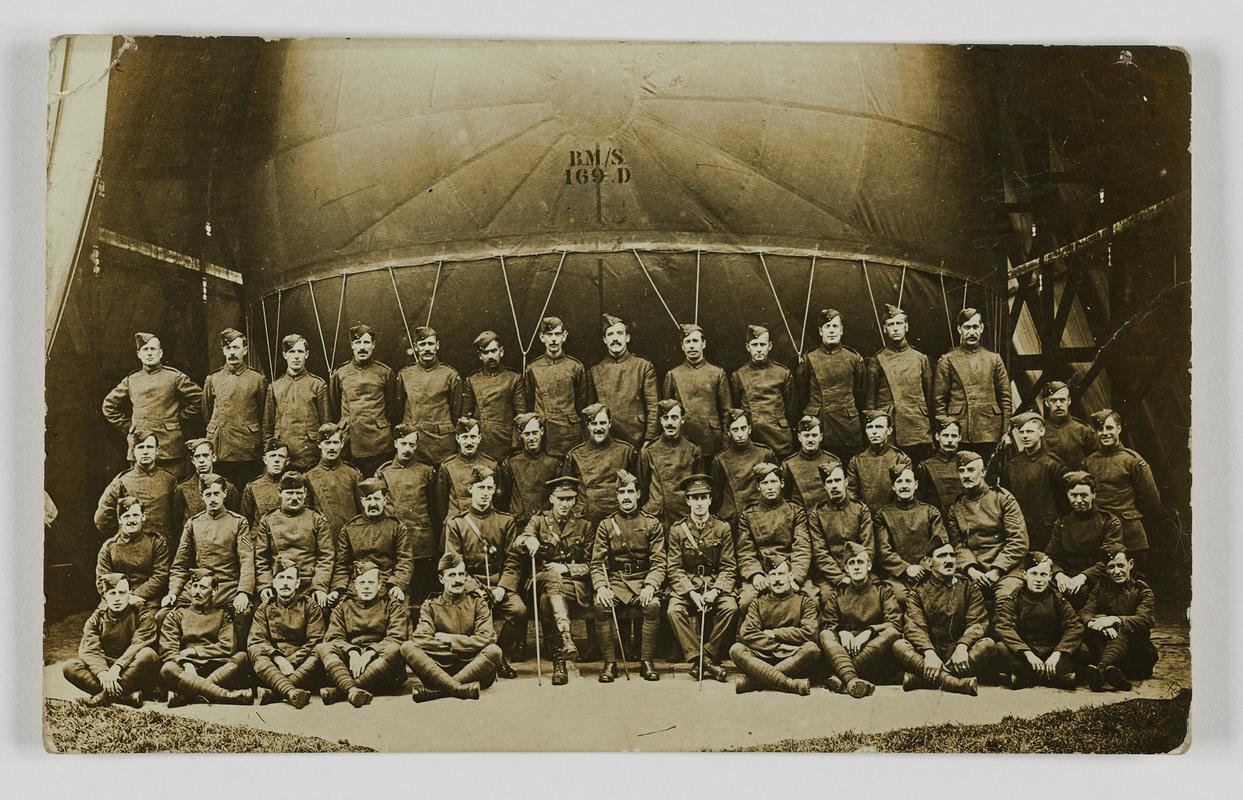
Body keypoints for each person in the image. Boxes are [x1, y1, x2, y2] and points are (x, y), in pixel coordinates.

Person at [503, 476, 593, 685]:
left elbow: (592, 565)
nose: (565, 504)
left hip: (572, 586)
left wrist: (566, 568)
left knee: (546, 601)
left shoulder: (584, 526)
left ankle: (559, 662)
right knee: (550, 580)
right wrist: (529, 539)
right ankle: (565, 635)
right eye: (560, 498)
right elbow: (517, 543)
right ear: (552, 499)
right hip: (539, 580)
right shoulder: (538, 521)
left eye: (570, 499)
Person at [442, 465, 525, 678]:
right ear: (470, 489)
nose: (485, 493)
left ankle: (499, 656)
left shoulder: (505, 521)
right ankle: (479, 659)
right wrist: (474, 588)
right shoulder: (457, 523)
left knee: (518, 611)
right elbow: (454, 561)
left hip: (499, 582)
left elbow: (513, 560)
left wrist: (503, 588)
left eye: (489, 488)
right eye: (481, 488)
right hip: (468, 583)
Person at [163, 473, 255, 650]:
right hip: (198, 586)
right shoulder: (193, 524)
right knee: (164, 614)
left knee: (244, 612)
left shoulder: (238, 522)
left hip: (227, 586)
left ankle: (239, 658)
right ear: (201, 496)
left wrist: (244, 592)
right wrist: (173, 591)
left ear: (224, 494)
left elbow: (246, 561)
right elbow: (180, 564)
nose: (212, 499)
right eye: (208, 495)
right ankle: (178, 656)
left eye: (216, 494)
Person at [590, 469, 666, 682]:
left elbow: (660, 561)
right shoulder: (606, 525)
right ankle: (610, 663)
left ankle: (646, 661)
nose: (626, 496)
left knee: (653, 606)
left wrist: (651, 585)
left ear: (638, 494)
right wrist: (602, 587)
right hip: (615, 581)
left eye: (630, 492)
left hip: (643, 580)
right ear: (616, 496)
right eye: (621, 492)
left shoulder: (652, 524)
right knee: (600, 605)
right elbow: (596, 563)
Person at [400, 553, 504, 702]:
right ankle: (457, 689)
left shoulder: (477, 603)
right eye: (452, 575)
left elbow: (487, 638)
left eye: (461, 574)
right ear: (441, 579)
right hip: (439, 668)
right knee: (407, 647)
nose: (457, 580)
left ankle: (438, 691)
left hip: (474, 667)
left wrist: (451, 640)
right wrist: (465, 646)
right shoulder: (430, 605)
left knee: (494, 650)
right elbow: (421, 639)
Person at [664, 474, 738, 682]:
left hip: (714, 584)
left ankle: (707, 655)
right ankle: (703, 662)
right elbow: (675, 567)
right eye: (694, 498)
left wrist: (715, 591)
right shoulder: (678, 530)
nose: (699, 503)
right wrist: (691, 593)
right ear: (687, 500)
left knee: (730, 607)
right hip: (688, 584)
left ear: (710, 499)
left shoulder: (722, 528)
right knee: (674, 610)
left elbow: (729, 566)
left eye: (703, 497)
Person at [892, 541, 991, 696]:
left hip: (960, 655)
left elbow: (977, 622)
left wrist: (962, 646)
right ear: (930, 563)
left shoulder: (968, 586)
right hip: (931, 653)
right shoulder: (919, 591)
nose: (949, 560)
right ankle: (955, 683)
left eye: (952, 555)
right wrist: (929, 653)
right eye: (942, 556)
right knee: (899, 645)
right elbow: (914, 627)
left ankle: (923, 680)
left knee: (988, 645)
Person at [101, 331, 203, 477]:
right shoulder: (132, 380)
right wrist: (129, 426)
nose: (149, 353)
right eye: (145, 349)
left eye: (153, 349)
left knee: (172, 487)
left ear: (160, 353)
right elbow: (108, 405)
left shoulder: (174, 377)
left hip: (169, 445)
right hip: (140, 443)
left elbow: (199, 398)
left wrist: (181, 417)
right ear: (139, 354)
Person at [315, 562, 409, 706]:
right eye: (362, 582)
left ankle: (343, 690)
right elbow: (334, 637)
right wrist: (352, 652)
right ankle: (353, 690)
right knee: (323, 647)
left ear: (379, 585)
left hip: (381, 665)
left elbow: (397, 637)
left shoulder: (392, 606)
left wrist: (369, 653)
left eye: (371, 582)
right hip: (353, 664)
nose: (366, 586)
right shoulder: (344, 606)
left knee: (394, 649)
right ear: (355, 585)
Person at [1083, 409, 1164, 575]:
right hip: (1100, 532)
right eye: (1100, 429)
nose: (1104, 433)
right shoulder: (1089, 462)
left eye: (1109, 428)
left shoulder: (1132, 460)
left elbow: (1152, 502)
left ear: (1119, 429)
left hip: (1130, 534)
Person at [817, 541, 902, 698]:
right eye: (852, 563)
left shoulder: (883, 591)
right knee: (825, 635)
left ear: (868, 566)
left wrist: (869, 631)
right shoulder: (838, 594)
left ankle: (841, 676)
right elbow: (826, 622)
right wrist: (841, 631)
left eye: (860, 562)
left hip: (873, 652)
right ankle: (852, 681)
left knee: (891, 633)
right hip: (845, 651)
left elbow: (895, 623)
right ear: (846, 569)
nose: (856, 567)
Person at [62, 573, 160, 707]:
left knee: (148, 654)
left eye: (122, 593)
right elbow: (90, 649)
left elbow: (139, 644)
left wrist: (117, 668)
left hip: (131, 669)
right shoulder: (97, 617)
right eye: (112, 593)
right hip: (107, 669)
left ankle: (100, 698)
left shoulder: (142, 614)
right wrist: (102, 673)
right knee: (70, 666)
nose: (117, 598)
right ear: (105, 596)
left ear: (130, 594)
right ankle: (126, 697)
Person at [158, 569, 253, 706]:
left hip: (214, 665)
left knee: (242, 657)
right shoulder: (176, 615)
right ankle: (227, 696)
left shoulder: (223, 615)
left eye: (203, 587)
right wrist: (186, 663)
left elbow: (227, 646)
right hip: (186, 668)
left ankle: (188, 696)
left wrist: (195, 652)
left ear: (214, 591)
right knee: (168, 668)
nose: (197, 592)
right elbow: (168, 649)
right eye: (194, 586)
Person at [991, 551, 1084, 689]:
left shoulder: (1057, 598)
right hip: (1027, 653)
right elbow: (1004, 626)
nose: (1038, 579)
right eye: (1034, 574)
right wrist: (1027, 653)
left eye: (1043, 574)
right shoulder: (1015, 597)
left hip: (1051, 652)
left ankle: (1026, 678)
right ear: (1024, 575)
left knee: (1083, 650)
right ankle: (1057, 679)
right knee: (1000, 648)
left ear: (1050, 576)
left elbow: (1075, 626)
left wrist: (1058, 653)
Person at [728, 556, 819, 695]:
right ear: (767, 578)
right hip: (764, 655)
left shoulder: (804, 602)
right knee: (736, 649)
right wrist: (780, 646)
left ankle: (755, 682)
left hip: (793, 655)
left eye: (781, 574)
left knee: (811, 649)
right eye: (773, 575)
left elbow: (810, 633)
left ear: (790, 576)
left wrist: (775, 633)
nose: (777, 579)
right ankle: (790, 684)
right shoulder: (758, 603)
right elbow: (747, 633)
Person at [946, 451, 1028, 605]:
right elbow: (957, 545)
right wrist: (971, 570)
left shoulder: (1003, 498)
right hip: (973, 570)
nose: (966, 475)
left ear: (982, 472)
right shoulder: (956, 508)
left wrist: (997, 570)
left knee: (1006, 599)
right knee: (955, 600)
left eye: (971, 470)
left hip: (1006, 570)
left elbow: (1018, 540)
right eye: (961, 471)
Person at [934, 308, 1012, 460]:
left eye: (975, 327)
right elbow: (939, 401)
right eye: (967, 327)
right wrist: (946, 429)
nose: (971, 332)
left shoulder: (994, 359)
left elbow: (1006, 398)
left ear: (981, 328)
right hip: (960, 430)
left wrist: (1005, 431)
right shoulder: (947, 360)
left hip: (989, 430)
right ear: (959, 329)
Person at [1078, 544, 1158, 692]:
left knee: (1122, 630)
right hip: (1108, 647)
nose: (1116, 571)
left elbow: (1145, 619)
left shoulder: (1142, 590)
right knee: (1090, 636)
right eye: (1111, 567)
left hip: (1136, 653)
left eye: (1121, 565)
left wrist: (1115, 620)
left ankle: (1100, 671)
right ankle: (1109, 673)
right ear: (1106, 569)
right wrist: (1098, 621)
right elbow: (1085, 612)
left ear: (1131, 564)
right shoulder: (1101, 587)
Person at [247, 558, 324, 708]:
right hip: (274, 664)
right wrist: (278, 658)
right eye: (280, 578)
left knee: (319, 651)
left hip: (301, 664)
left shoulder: (309, 606)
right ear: (274, 583)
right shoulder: (265, 607)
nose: (285, 583)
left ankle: (276, 692)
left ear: (297, 583)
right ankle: (291, 692)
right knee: (255, 650)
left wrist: (293, 660)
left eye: (289, 578)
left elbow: (316, 639)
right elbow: (256, 639)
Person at [736, 462, 812, 614]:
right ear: (758, 487)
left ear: (782, 483)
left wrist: (795, 577)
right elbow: (745, 551)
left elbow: (802, 547)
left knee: (812, 599)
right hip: (763, 570)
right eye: (765, 483)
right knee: (746, 601)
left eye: (773, 481)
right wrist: (755, 574)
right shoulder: (748, 515)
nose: (770, 487)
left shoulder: (796, 512)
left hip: (790, 568)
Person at [376, 424, 438, 607]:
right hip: (397, 541)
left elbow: (435, 507)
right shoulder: (384, 472)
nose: (408, 449)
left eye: (412, 445)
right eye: (404, 444)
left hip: (422, 542)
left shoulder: (426, 471)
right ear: (395, 443)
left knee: (422, 594)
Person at [330, 478, 413, 611]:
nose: (372, 504)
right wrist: (338, 588)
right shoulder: (350, 528)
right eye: (368, 499)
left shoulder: (397, 527)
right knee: (340, 610)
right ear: (362, 501)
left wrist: (397, 584)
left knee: (398, 611)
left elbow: (405, 561)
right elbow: (342, 565)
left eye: (376, 499)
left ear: (384, 500)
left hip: (387, 583)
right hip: (357, 584)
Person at [254, 471, 334, 610]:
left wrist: (319, 587)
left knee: (321, 608)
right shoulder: (268, 521)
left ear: (305, 493)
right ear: (280, 493)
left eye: (298, 493)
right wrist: (265, 585)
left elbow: (326, 557)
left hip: (308, 582)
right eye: (289, 493)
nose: (294, 498)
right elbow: (261, 558)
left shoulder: (317, 519)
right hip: (278, 583)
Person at [874, 465, 950, 606]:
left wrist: (924, 567)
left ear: (916, 485)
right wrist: (907, 568)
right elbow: (884, 550)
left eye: (908, 481)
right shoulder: (883, 515)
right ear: (893, 487)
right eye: (899, 482)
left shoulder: (931, 512)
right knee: (899, 597)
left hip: (929, 573)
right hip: (898, 576)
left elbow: (941, 543)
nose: (904, 486)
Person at [1048, 471, 1124, 609]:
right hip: (1067, 578)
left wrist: (1083, 577)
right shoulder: (1062, 523)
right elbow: (1052, 556)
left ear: (1093, 494)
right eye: (1073, 495)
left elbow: (1109, 559)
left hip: (1096, 578)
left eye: (1083, 495)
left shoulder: (1109, 522)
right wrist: (1059, 575)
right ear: (1067, 495)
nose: (1078, 500)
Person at [867, 304, 934, 462]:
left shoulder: (920, 358)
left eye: (899, 323)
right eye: (891, 324)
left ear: (906, 326)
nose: (895, 328)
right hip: (891, 427)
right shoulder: (877, 360)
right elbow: (870, 400)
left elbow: (930, 396)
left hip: (917, 426)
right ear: (885, 329)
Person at [203, 327, 268, 489]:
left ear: (245, 350)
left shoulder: (257, 379)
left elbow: (262, 413)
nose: (232, 352)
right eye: (228, 348)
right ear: (223, 351)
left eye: (236, 348)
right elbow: (207, 412)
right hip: (222, 449)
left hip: (247, 450)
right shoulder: (213, 378)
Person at [330, 323, 397, 476]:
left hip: (378, 441)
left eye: (366, 342)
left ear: (373, 345)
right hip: (350, 441)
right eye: (358, 342)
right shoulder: (340, 373)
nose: (362, 347)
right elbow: (334, 406)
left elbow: (393, 408)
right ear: (352, 345)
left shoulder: (385, 372)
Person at [799, 309, 866, 462]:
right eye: (827, 327)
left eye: (835, 327)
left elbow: (860, 392)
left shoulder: (853, 358)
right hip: (820, 422)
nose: (831, 331)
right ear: (820, 331)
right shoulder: (809, 359)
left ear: (841, 330)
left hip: (847, 424)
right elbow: (802, 393)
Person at [395, 325, 467, 467]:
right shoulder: (405, 375)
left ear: (437, 346)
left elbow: (456, 412)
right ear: (416, 347)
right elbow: (397, 410)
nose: (427, 348)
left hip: (441, 444)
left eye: (430, 344)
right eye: (422, 344)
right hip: (414, 443)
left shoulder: (450, 375)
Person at [999, 411, 1069, 552]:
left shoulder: (1053, 464)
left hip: (1047, 531)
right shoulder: (1012, 465)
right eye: (1022, 432)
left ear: (1041, 431)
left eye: (1030, 431)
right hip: (1020, 530)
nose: (1025, 435)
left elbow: (1063, 504)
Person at [93, 430, 178, 543]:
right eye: (141, 447)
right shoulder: (122, 481)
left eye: (149, 447)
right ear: (134, 451)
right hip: (132, 547)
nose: (145, 452)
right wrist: (123, 536)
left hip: (163, 546)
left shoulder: (169, 480)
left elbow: (177, 517)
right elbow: (102, 518)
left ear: (157, 450)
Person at [523, 316, 589, 459]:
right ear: (542, 337)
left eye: (557, 334)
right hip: (544, 434)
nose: (553, 339)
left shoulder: (575, 367)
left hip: (568, 433)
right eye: (549, 334)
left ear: (564, 336)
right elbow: (528, 400)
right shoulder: (533, 368)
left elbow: (581, 401)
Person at [589, 314, 659, 449]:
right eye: (610, 334)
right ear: (604, 340)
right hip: (606, 439)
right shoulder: (595, 370)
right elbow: (589, 410)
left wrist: (649, 438)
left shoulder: (643, 366)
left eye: (619, 333)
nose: (615, 339)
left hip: (636, 438)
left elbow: (653, 407)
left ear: (627, 338)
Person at [807, 462, 875, 600]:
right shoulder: (817, 514)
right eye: (829, 482)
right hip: (830, 576)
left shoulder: (860, 510)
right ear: (825, 486)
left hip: (859, 570)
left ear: (846, 482)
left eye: (837, 480)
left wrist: (856, 573)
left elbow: (867, 546)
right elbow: (820, 552)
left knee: (874, 596)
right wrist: (839, 577)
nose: (834, 485)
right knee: (828, 598)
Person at [663, 323, 731, 460]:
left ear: (703, 344)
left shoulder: (717, 373)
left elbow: (726, 411)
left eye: (695, 341)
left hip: (711, 440)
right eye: (687, 342)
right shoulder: (673, 374)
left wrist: (725, 442)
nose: (691, 346)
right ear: (682, 346)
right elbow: (666, 412)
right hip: (684, 439)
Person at [263, 334, 331, 472]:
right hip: (282, 455)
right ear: (284, 355)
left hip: (309, 455)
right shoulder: (275, 386)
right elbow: (267, 427)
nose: (296, 356)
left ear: (307, 354)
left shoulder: (317, 385)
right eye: (291, 352)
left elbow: (327, 424)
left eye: (300, 352)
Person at [562, 403, 637, 526]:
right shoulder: (575, 455)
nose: (598, 428)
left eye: (602, 423)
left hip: (617, 517)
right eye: (594, 423)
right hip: (586, 518)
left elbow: (638, 487)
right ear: (587, 426)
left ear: (610, 423)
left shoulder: (626, 451)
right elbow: (568, 492)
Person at [730, 324, 796, 460]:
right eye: (755, 345)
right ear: (748, 347)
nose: (759, 349)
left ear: (770, 346)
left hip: (779, 437)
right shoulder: (739, 375)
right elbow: (736, 408)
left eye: (762, 344)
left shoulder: (783, 373)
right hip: (754, 437)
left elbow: (792, 408)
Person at [637, 398, 703, 530]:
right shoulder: (649, 450)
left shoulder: (693, 450)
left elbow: (698, 487)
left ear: (682, 420)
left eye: (674, 418)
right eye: (665, 418)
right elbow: (642, 486)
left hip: (683, 516)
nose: (670, 423)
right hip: (657, 516)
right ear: (661, 421)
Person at [463, 330, 527, 460]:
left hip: (507, 444)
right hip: (482, 445)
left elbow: (521, 416)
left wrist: (516, 446)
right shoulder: (472, 380)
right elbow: (466, 417)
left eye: (493, 351)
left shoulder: (514, 378)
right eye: (485, 352)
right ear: (480, 356)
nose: (490, 356)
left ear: (501, 351)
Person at [96, 496, 170, 608]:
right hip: (116, 600)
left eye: (135, 515)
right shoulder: (109, 547)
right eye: (126, 516)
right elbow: (102, 579)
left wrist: (136, 595)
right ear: (120, 520)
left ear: (143, 517)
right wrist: (121, 598)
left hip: (147, 598)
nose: (131, 520)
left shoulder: (156, 543)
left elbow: (160, 575)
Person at [709, 408, 775, 527]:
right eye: (735, 429)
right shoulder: (720, 459)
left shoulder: (765, 454)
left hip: (762, 516)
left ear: (749, 429)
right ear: (728, 432)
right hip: (733, 518)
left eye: (743, 428)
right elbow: (717, 496)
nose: (740, 434)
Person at [500, 413, 560, 531]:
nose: (531, 438)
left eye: (534, 432)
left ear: (542, 431)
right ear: (521, 434)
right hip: (518, 524)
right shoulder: (511, 463)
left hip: (546, 525)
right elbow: (504, 497)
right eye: (527, 434)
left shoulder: (553, 463)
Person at [305, 422, 363, 544]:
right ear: (319, 445)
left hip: (351, 539)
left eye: (335, 442)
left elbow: (362, 512)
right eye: (327, 443)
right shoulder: (309, 477)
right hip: (322, 540)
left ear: (342, 444)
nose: (331, 448)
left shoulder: (353, 474)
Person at [436, 416, 500, 524]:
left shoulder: (491, 465)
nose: (469, 442)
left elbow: (499, 501)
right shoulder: (447, 466)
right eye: (465, 437)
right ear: (457, 438)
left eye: (473, 437)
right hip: (456, 523)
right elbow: (441, 504)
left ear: (479, 438)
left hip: (485, 523)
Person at [846, 409, 912, 511]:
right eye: (870, 427)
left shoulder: (901, 458)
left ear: (889, 430)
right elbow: (852, 495)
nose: (874, 431)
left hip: (892, 516)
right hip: (866, 516)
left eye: (879, 427)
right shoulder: (856, 461)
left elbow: (905, 494)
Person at [174, 438, 240, 533]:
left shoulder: (228, 487)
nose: (201, 460)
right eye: (197, 456)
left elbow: (235, 520)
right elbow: (177, 524)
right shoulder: (183, 488)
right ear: (192, 460)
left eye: (205, 456)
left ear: (213, 457)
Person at [780, 416, 841, 511]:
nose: (810, 439)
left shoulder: (833, 461)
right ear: (799, 437)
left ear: (821, 437)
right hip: (801, 516)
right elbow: (784, 498)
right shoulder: (788, 464)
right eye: (806, 435)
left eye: (814, 435)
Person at [916, 415, 968, 518]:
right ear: (937, 436)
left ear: (959, 438)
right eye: (945, 435)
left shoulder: (966, 463)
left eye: (953, 436)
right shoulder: (926, 466)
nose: (949, 440)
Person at [1039, 381, 1097, 469]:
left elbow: (1097, 461)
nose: (1058, 405)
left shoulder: (1084, 430)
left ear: (1069, 401)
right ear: (1047, 403)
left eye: (1062, 400)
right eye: (1053, 400)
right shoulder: (1039, 431)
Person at [240, 437, 290, 524]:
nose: (276, 460)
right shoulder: (253, 486)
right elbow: (245, 521)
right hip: (260, 535)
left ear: (287, 461)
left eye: (281, 456)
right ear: (265, 460)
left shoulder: (294, 485)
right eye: (272, 456)